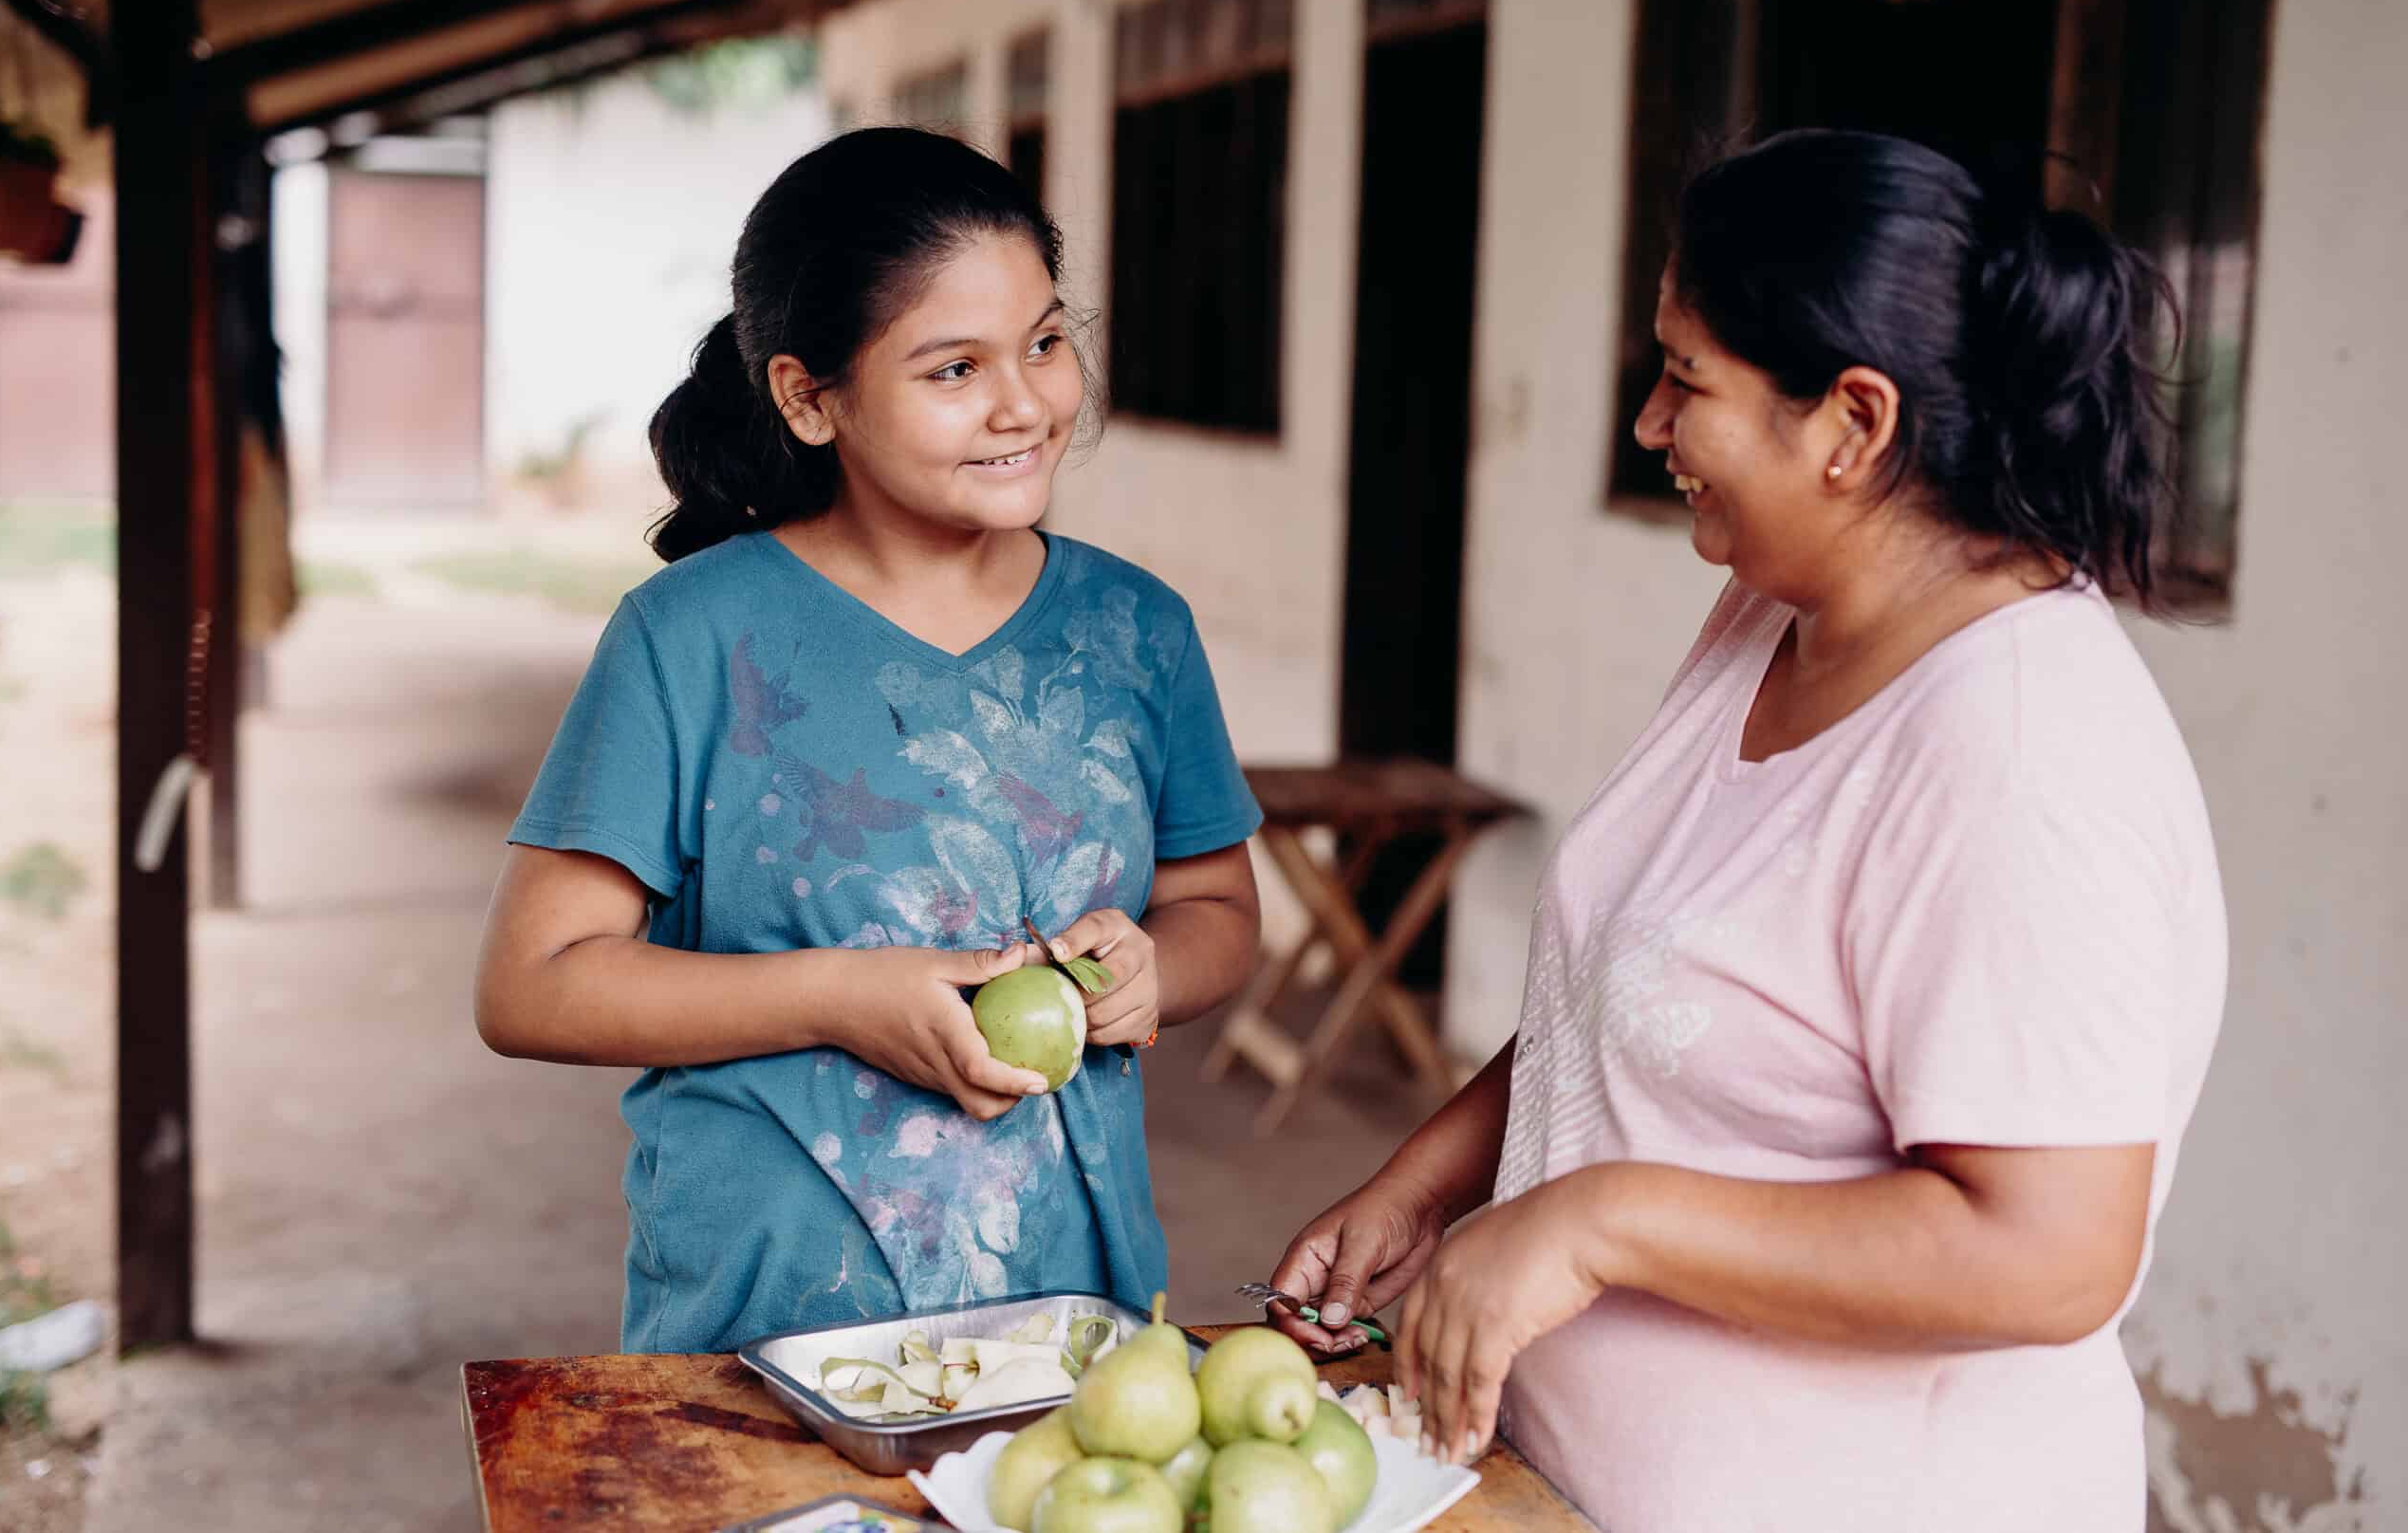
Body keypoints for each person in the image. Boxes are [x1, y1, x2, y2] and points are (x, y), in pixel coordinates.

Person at [1265, 129, 2226, 1532]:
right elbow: (1663, 995)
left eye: (1685, 381)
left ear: (1853, 422)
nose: (1651, 427)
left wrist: (1596, 1223)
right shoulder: (1775, 613)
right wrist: (1428, 1185)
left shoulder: (2018, 749)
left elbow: (2050, 1253)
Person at [474, 127, 1263, 1354]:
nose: (1026, 403)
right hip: (773, 1305)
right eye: (953, 369)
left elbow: (1218, 910)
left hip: (1066, 1310)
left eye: (1047, 342)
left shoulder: (1133, 632)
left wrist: (1155, 973)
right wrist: (844, 996)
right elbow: (534, 983)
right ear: (808, 395)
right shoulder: (696, 637)